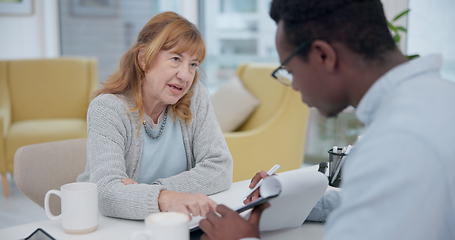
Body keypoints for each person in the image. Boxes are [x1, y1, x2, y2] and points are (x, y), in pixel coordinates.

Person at [199, 0, 455, 239]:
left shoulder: (397, 143)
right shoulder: (436, 99)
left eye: (289, 71)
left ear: (323, 55)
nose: (295, 86)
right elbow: (372, 201)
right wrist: (288, 201)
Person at [77, 11, 232, 220]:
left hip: (169, 223)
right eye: (176, 59)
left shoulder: (195, 96)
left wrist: (159, 192)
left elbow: (220, 168)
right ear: (144, 59)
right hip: (110, 225)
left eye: (193, 64)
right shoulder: (107, 109)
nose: (186, 75)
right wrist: (166, 198)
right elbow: (106, 193)